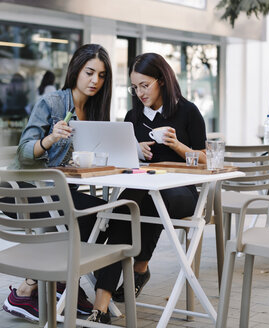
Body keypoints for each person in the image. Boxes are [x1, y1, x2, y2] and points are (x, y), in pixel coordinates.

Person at [86, 52, 207, 324]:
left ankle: (136, 267)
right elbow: (124, 159)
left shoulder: (188, 112)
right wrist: (135, 150)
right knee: (132, 205)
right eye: (135, 87)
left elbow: (206, 159)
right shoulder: (133, 115)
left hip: (182, 192)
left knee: (132, 204)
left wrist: (178, 146)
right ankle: (102, 303)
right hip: (145, 192)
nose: (139, 92)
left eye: (144, 85)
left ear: (162, 81)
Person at [3, 43, 113, 322]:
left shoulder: (95, 112)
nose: (94, 81)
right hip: (24, 191)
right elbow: (23, 153)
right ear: (76, 70)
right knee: (79, 218)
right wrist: (50, 139)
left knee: (107, 214)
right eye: (89, 72)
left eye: (101, 76)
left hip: (58, 193)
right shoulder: (52, 103)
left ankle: (48, 286)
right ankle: (41, 285)